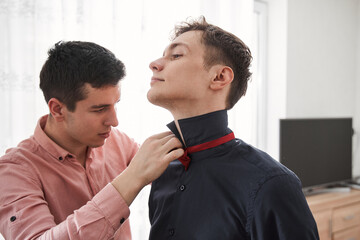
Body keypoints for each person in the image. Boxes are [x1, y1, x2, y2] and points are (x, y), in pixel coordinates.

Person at [147, 16, 319, 239]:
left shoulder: (272, 184)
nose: (155, 64)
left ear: (220, 77)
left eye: (176, 55)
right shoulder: (161, 169)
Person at [0, 41, 184, 240]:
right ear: (57, 109)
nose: (114, 121)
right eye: (99, 109)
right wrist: (131, 179)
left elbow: (179, 178)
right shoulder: (13, 172)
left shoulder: (118, 141)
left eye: (115, 105)